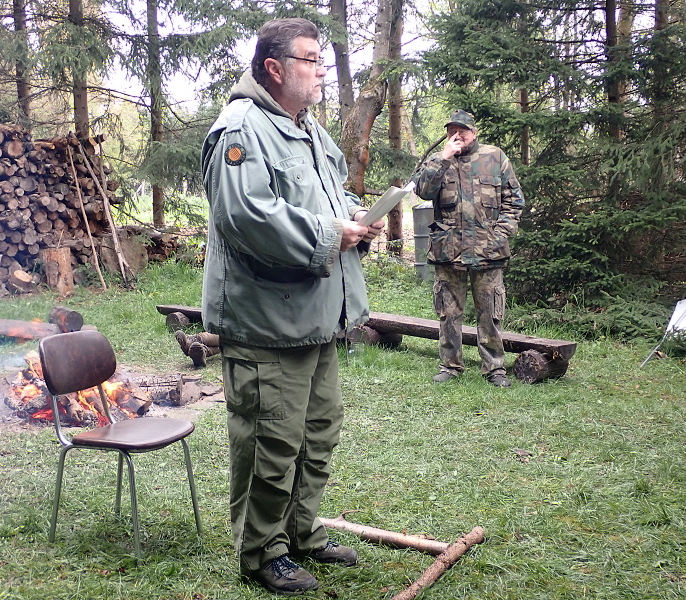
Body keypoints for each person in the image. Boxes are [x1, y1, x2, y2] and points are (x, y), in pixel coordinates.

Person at [200, 18, 384, 595]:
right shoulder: (241, 128)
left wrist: (358, 216)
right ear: (274, 68)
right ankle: (261, 553)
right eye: (310, 59)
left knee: (317, 433)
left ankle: (300, 534)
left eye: (322, 59)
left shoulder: (306, 130)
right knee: (270, 441)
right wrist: (332, 234)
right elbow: (246, 215)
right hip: (266, 320)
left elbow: (333, 194)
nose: (321, 69)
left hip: (316, 317)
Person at [411, 109, 524, 388]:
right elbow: (423, 191)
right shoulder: (437, 160)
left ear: (474, 132)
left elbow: (514, 201)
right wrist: (444, 157)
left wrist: (500, 236)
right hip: (448, 250)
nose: (457, 135)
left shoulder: (495, 157)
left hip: (489, 251)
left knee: (490, 312)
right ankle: (450, 365)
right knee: (448, 312)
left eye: (463, 130)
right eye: (452, 130)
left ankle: (494, 368)